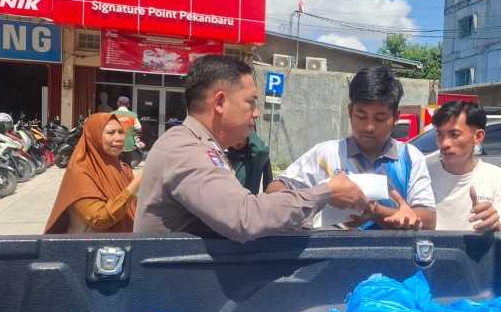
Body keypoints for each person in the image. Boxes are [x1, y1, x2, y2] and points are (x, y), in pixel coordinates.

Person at [133, 55, 369, 242]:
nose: (256, 113)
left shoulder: (201, 146)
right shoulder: (185, 149)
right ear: (220, 102)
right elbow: (245, 217)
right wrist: (325, 192)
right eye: (251, 102)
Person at [266, 66, 436, 230]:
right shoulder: (326, 153)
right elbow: (274, 191)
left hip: (392, 257)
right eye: (361, 116)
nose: (369, 127)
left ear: (396, 117)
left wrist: (377, 212)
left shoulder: (410, 157)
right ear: (350, 111)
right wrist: (321, 196)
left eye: (380, 118)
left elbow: (428, 221)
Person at [44, 113, 141, 234]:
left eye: (121, 132)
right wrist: (135, 186)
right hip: (90, 248)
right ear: (95, 137)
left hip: (122, 246)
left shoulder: (123, 168)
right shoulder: (80, 172)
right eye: (111, 133)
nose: (119, 138)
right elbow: (98, 218)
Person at [426, 101, 501, 232]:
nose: (444, 143)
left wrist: (495, 225)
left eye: (454, 134)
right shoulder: (423, 174)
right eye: (440, 135)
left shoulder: (497, 178)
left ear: (477, 137)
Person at [226, 125, 273, 194]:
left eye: (242, 135)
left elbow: (261, 150)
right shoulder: (224, 156)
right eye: (234, 134)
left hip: (245, 203)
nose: (237, 140)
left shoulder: (255, 160)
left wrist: (248, 125)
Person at [111, 96, 141, 168]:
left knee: (114, 164)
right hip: (128, 142)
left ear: (118, 103)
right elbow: (139, 128)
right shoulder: (133, 115)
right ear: (128, 105)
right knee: (127, 165)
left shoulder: (111, 114)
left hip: (114, 142)